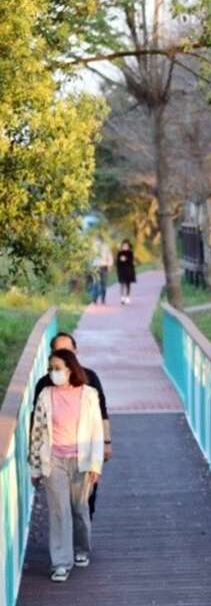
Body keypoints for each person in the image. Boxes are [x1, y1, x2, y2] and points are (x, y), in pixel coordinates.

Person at [29, 349, 105, 582]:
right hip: (54, 460)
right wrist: (35, 467)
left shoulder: (89, 395)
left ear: (70, 369)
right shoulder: (45, 395)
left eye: (57, 368)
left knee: (79, 509)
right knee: (59, 512)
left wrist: (96, 465)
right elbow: (37, 431)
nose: (53, 373)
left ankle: (81, 548)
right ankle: (61, 563)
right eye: (50, 369)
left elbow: (96, 431)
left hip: (82, 461)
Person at [33, 332, 111, 520]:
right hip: (55, 457)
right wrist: (35, 461)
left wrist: (106, 442)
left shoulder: (90, 380)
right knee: (61, 510)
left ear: (76, 351)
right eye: (59, 351)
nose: (64, 355)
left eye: (67, 351)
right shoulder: (44, 385)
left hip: (83, 454)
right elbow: (36, 424)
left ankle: (82, 532)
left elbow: (101, 413)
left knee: (82, 506)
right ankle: (65, 540)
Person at [90, 237, 113, 304]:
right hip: (97, 267)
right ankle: (97, 298)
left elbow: (109, 256)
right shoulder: (93, 248)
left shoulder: (105, 247)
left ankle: (100, 298)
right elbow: (90, 258)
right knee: (98, 283)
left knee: (100, 283)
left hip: (101, 266)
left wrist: (109, 265)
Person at [115, 240, 136, 305]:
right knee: (122, 284)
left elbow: (131, 261)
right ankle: (122, 298)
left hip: (128, 271)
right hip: (121, 271)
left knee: (128, 285)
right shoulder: (119, 253)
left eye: (126, 246)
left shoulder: (130, 253)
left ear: (128, 247)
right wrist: (120, 260)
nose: (125, 247)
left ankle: (127, 297)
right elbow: (117, 263)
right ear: (122, 246)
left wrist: (125, 259)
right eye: (124, 246)